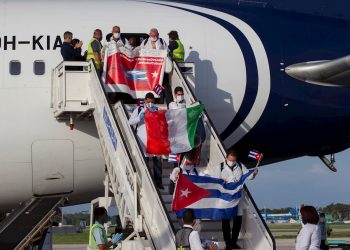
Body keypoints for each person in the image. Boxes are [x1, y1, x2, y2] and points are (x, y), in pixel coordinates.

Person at [216, 150, 258, 250]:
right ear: (226, 158)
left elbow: (248, 175)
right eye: (230, 160)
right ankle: (227, 242)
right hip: (225, 198)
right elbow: (214, 180)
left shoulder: (240, 166)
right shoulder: (220, 167)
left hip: (237, 197)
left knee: (237, 220)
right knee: (225, 221)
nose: (232, 162)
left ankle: (233, 242)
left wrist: (254, 173)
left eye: (234, 160)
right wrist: (222, 182)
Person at [128, 92, 164, 189]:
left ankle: (158, 182)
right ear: (145, 101)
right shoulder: (139, 109)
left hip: (154, 140)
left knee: (157, 162)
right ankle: (147, 182)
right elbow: (130, 122)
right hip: (143, 141)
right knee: (145, 163)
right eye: (148, 101)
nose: (150, 103)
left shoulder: (157, 110)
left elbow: (162, 124)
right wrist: (139, 118)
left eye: (152, 101)